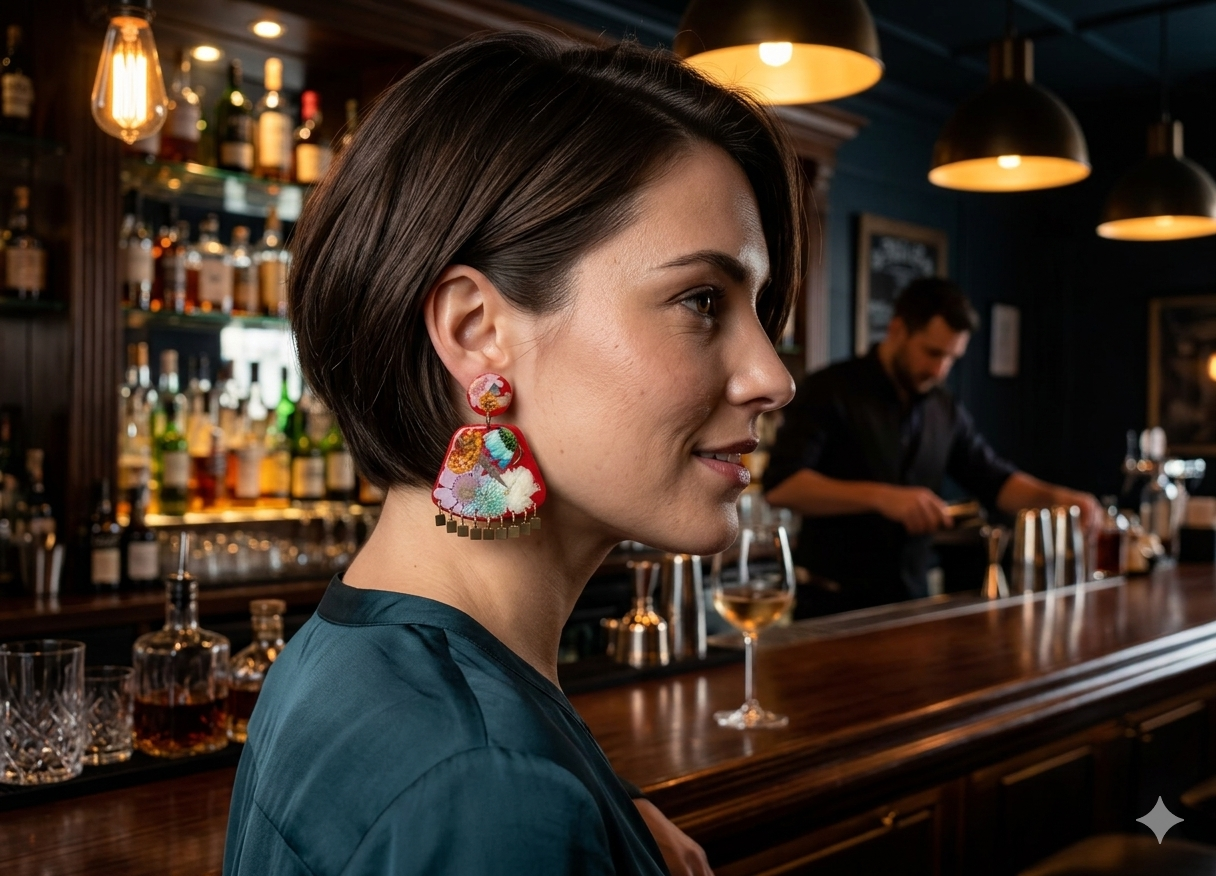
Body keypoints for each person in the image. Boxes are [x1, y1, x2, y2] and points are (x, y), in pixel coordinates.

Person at [223, 32, 802, 876]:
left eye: (757, 306)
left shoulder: (351, 647)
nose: (773, 376)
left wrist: (601, 812)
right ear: (476, 331)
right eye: (701, 300)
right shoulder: (488, 788)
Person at [763, 278, 1099, 616]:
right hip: (832, 607)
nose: (939, 369)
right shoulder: (830, 388)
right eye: (932, 352)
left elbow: (993, 479)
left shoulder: (944, 408)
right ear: (897, 329)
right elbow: (781, 487)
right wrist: (883, 497)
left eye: (952, 358)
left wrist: (1060, 499)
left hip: (911, 602)